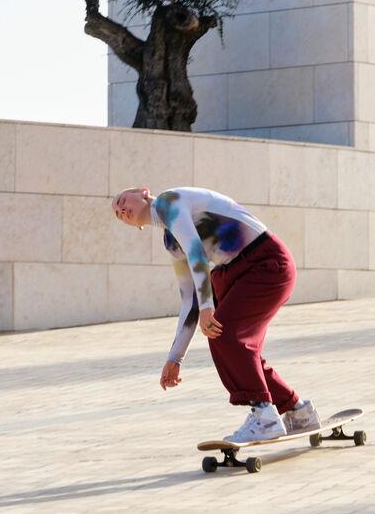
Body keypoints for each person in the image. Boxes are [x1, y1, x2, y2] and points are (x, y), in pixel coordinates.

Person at [112, 186, 321, 443]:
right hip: (235, 273)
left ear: (143, 192)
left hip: (265, 262)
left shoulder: (168, 202)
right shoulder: (171, 240)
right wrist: (175, 357)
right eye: (118, 215)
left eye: (122, 201)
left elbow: (197, 252)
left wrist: (208, 307)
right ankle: (298, 412)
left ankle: (265, 416)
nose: (122, 210)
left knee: (226, 337)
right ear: (135, 227)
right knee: (235, 349)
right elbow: (190, 301)